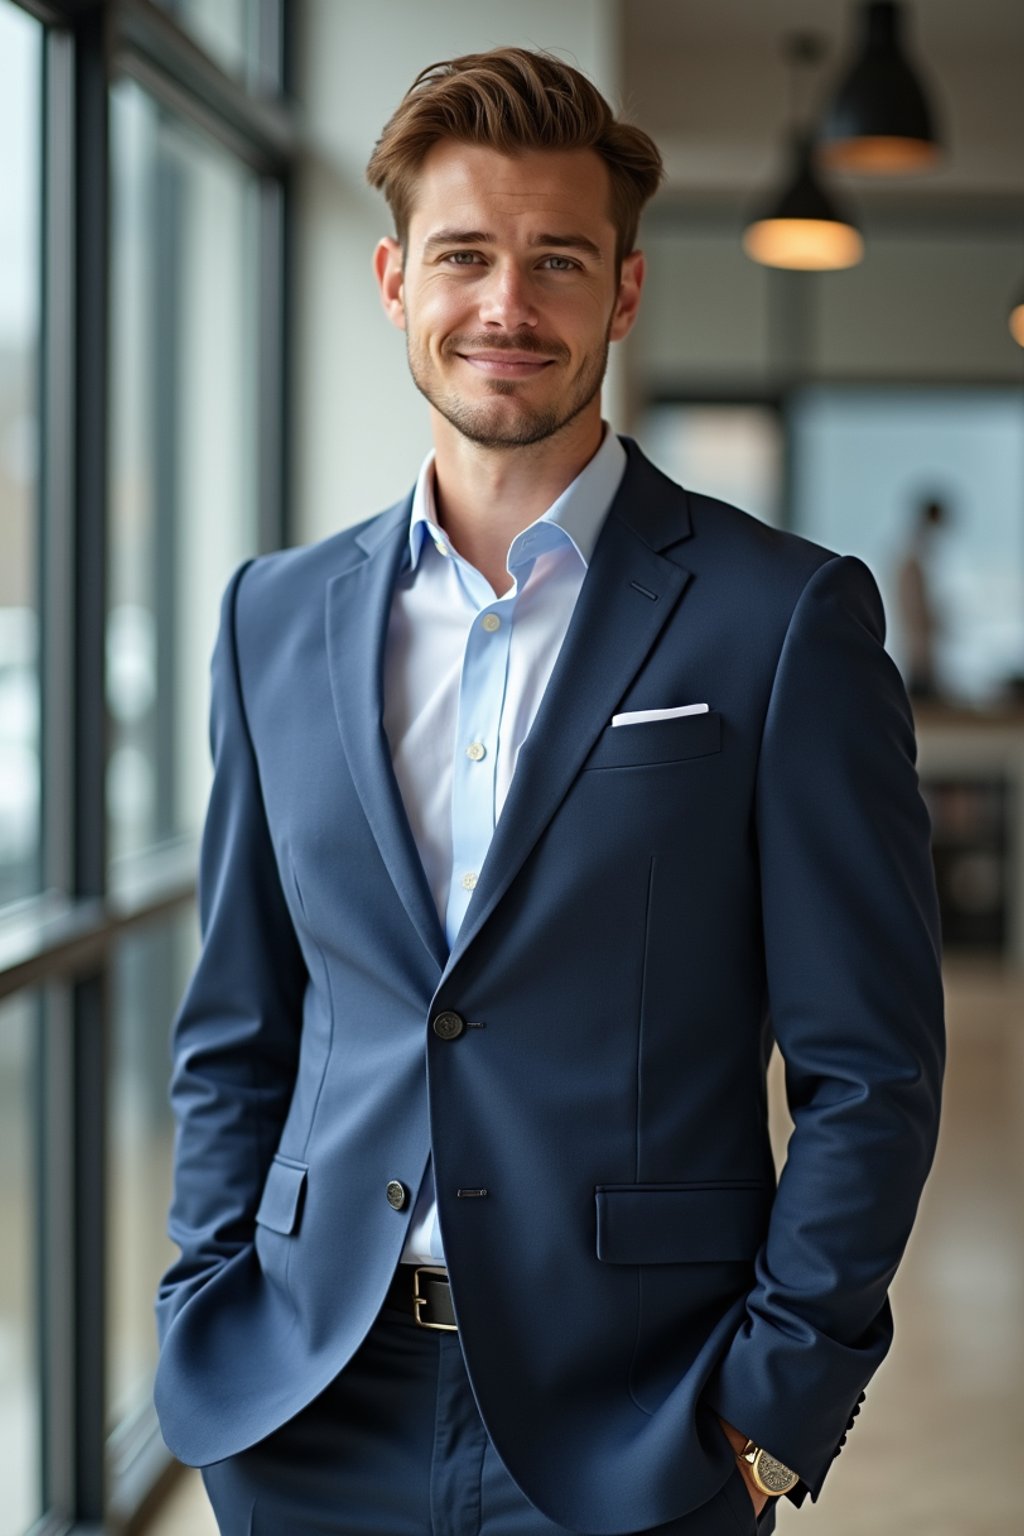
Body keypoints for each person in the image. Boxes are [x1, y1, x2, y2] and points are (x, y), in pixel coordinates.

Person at [154, 47, 945, 1536]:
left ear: (623, 294)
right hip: (306, 1401)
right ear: (394, 278)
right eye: (464, 255)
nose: (506, 307)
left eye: (557, 261)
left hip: (640, 1416)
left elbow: (872, 1070)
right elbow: (241, 1020)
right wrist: (206, 1291)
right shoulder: (275, 614)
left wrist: (774, 1395)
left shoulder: (781, 621)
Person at [895, 495, 948, 701]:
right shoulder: (912, 558)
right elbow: (914, 610)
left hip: (919, 648)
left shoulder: (917, 554)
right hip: (917, 650)